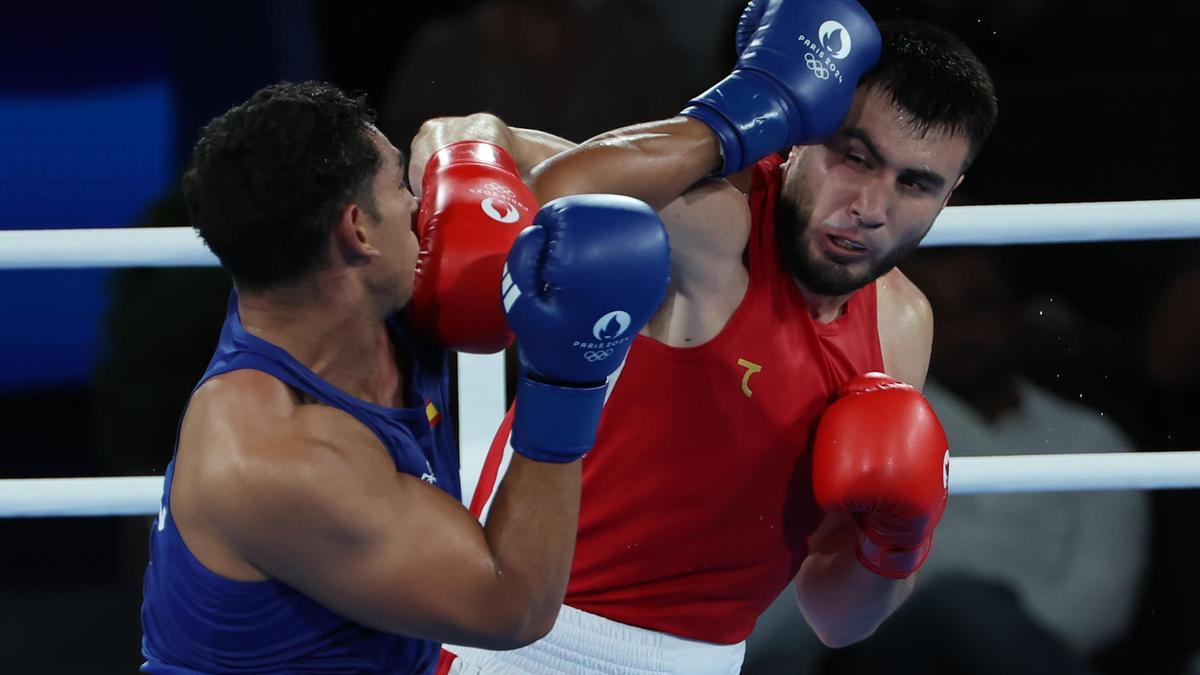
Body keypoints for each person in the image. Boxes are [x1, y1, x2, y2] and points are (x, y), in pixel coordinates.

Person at [414, 0, 1000, 671]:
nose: (870, 207)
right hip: (526, 643)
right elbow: (482, 146)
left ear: (950, 194)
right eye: (855, 156)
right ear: (804, 130)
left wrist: (898, 542)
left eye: (914, 184)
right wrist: (731, 119)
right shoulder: (715, 221)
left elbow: (835, 619)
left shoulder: (902, 325)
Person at [138, 81, 671, 674]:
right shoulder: (275, 456)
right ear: (357, 231)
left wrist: (474, 153)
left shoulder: (341, 305)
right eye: (399, 187)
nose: (423, 205)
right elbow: (511, 608)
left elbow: (450, 132)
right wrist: (567, 381)